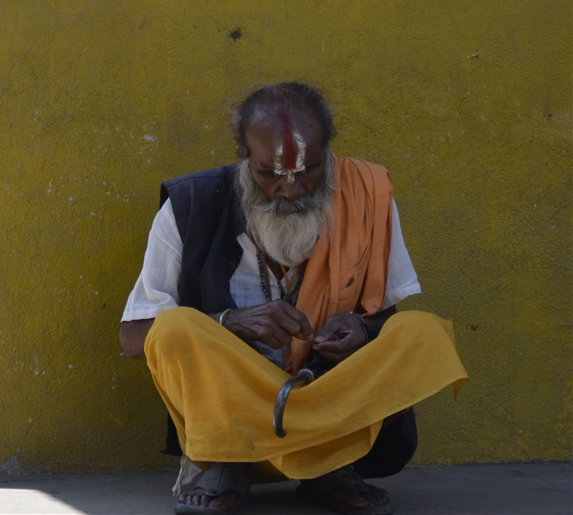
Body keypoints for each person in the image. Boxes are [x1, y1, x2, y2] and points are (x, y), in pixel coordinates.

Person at [120, 83, 467, 515]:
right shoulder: (190, 205)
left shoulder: (367, 195)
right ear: (245, 159)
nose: (292, 189)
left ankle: (330, 465)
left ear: (329, 155)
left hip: (328, 402)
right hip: (233, 416)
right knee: (173, 327)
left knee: (422, 333)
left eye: (309, 170)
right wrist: (230, 321)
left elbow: (384, 315)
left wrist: (361, 329)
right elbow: (133, 338)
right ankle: (229, 464)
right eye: (270, 174)